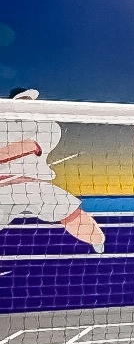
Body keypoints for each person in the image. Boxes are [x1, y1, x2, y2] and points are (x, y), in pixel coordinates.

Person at [0, 87, 105, 251]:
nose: (27, 105)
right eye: (21, 101)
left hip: (32, 185)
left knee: (67, 207)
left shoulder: (47, 127)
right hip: (3, 188)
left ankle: (98, 242)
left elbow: (27, 146)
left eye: (30, 102)